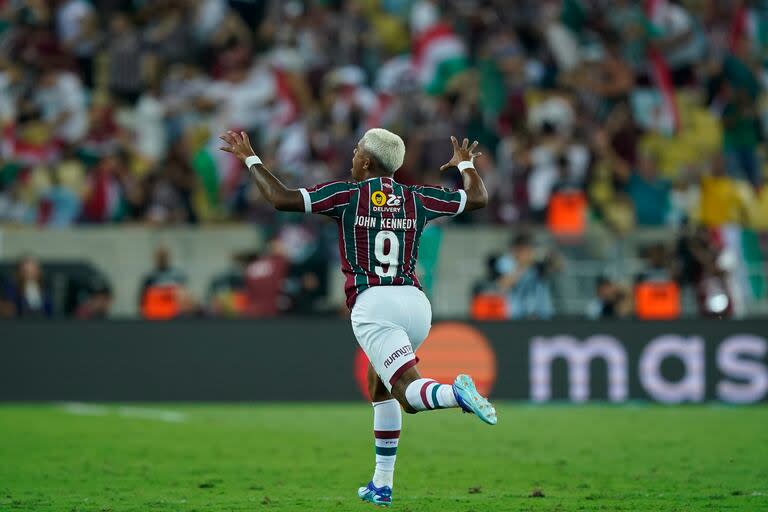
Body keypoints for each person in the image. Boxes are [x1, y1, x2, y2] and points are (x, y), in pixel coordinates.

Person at [219, 128, 496, 507]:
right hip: (415, 304)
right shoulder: (418, 198)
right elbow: (478, 197)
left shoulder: (347, 195)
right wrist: (465, 164)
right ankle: (382, 484)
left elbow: (281, 199)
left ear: (366, 161)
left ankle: (455, 393)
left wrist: (250, 158)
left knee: (408, 396)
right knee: (380, 388)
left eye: (356, 151)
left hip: (375, 303)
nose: (352, 156)